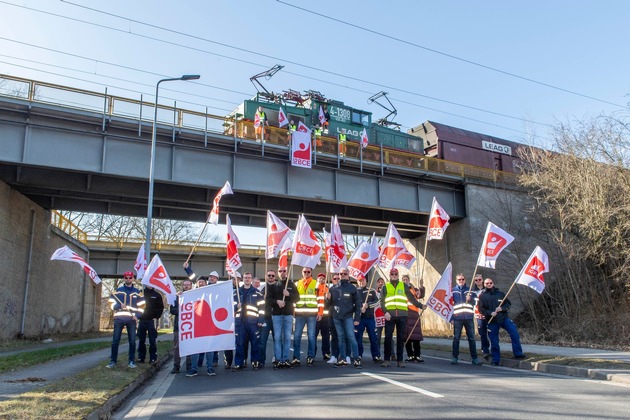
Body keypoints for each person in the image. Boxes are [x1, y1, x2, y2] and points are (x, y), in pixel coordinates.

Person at [380, 268, 425, 368]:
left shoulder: (403, 286)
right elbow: (381, 301)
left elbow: (412, 299)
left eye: (396, 274)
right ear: (389, 275)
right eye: (392, 274)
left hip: (402, 316)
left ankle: (400, 360)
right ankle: (387, 359)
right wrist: (385, 312)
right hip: (390, 316)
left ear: (398, 275)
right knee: (388, 338)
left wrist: (421, 306)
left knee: (400, 339)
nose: (394, 275)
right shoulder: (385, 287)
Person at [477, 278, 527, 366]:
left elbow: (508, 304)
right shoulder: (482, 296)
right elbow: (481, 310)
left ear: (493, 283)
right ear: (484, 285)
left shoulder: (500, 294)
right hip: (492, 321)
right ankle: (496, 360)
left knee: (514, 332)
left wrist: (502, 308)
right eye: (487, 283)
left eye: (490, 283)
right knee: (494, 341)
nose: (489, 284)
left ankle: (518, 354)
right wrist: (490, 313)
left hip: (504, 318)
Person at [106, 272, 145, 369]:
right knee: (115, 341)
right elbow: (111, 303)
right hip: (119, 319)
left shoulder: (138, 293)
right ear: (124, 278)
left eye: (130, 277)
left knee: (132, 341)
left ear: (133, 279)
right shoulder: (117, 291)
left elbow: (143, 306)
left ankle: (131, 361)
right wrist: (119, 306)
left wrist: (137, 315)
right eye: (126, 278)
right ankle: (113, 361)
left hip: (131, 319)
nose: (128, 279)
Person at [326, 268, 362, 368]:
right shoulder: (333, 288)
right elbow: (327, 305)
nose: (342, 275)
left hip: (348, 317)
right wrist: (327, 299)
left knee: (351, 337)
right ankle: (342, 358)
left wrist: (357, 318)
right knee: (340, 338)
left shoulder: (352, 288)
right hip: (336, 317)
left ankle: (357, 359)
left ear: (348, 275)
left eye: (344, 273)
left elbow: (358, 305)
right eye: (340, 273)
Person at [267, 267, 299, 369]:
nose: (282, 273)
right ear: (278, 273)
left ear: (286, 273)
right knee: (277, 338)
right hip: (276, 315)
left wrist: (289, 294)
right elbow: (268, 299)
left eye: (284, 271)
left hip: (288, 315)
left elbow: (297, 298)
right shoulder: (274, 286)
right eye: (280, 271)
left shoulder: (291, 285)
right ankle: (278, 360)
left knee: (287, 338)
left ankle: (285, 359)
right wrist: (277, 301)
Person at [233, 272, 264, 371]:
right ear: (242, 279)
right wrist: (235, 307)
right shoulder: (236, 293)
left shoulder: (257, 292)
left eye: (249, 278)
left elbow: (262, 308)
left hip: (253, 322)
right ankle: (239, 364)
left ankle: (255, 362)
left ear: (251, 280)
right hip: (240, 322)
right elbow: (230, 308)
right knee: (240, 344)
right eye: (245, 277)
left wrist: (260, 320)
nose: (247, 279)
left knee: (255, 343)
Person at [450, 274, 482, 366]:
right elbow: (449, 306)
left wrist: (470, 299)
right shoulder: (452, 291)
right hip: (457, 318)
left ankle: (475, 359)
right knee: (456, 338)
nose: (461, 281)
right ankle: (455, 357)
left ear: (465, 280)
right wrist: (451, 318)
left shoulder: (470, 290)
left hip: (468, 318)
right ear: (456, 280)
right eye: (459, 279)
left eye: (463, 279)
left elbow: (477, 302)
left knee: (471, 339)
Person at [292, 267, 318, 366]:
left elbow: (320, 299)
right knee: (297, 336)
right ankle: (296, 357)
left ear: (311, 273)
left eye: (308, 272)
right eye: (304, 271)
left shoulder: (316, 283)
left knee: (311, 336)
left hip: (312, 314)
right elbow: (294, 299)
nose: (306, 273)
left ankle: (310, 357)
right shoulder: (297, 283)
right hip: (299, 314)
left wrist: (320, 313)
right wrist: (293, 311)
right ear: (301, 273)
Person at [355, 275, 382, 363]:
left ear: (366, 281)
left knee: (374, 338)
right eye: (359, 281)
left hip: (370, 318)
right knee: (358, 338)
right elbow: (352, 304)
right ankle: (358, 355)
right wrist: (360, 308)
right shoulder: (355, 291)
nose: (361, 282)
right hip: (359, 319)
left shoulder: (371, 291)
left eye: (362, 280)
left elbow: (377, 302)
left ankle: (376, 355)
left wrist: (368, 305)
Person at [137, 285, 164, 364]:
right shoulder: (140, 294)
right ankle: (141, 357)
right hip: (141, 320)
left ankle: (153, 358)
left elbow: (160, 307)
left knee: (152, 340)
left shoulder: (157, 295)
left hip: (152, 321)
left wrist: (156, 317)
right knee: (141, 340)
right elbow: (135, 305)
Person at [170, 279, 192, 374]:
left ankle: (189, 366)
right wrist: (183, 308)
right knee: (177, 347)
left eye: (188, 285)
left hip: (190, 326)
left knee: (190, 347)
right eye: (185, 285)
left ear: (191, 286)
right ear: (182, 286)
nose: (186, 286)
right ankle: (176, 366)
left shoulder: (193, 297)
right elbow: (172, 310)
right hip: (178, 326)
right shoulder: (177, 297)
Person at [403, 274, 425, 363]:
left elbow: (420, 295)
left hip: (414, 314)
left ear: (409, 280)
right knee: (406, 336)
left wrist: (421, 287)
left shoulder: (414, 289)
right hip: (404, 314)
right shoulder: (401, 290)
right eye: (404, 280)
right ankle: (410, 355)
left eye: (406, 279)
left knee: (416, 336)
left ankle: (417, 355)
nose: (405, 281)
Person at [258, 269, 276, 368]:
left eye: (273, 275)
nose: (271, 277)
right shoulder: (261, 288)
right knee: (262, 342)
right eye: (269, 275)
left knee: (277, 340)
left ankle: (276, 358)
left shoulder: (279, 287)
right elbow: (257, 303)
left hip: (276, 318)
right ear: (266, 276)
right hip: (265, 318)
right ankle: (261, 361)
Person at [471, 274, 490, 360]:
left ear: (482, 280)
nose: (478, 281)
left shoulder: (487, 289)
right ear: (474, 281)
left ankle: (488, 348)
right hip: (479, 315)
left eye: (479, 279)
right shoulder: (472, 292)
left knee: (490, 332)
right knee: (482, 333)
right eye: (476, 280)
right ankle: (485, 351)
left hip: (488, 314)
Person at [314, 273, 331, 361]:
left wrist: (328, 298)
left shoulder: (328, 289)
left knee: (326, 336)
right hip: (316, 316)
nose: (321, 280)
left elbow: (330, 303)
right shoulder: (314, 288)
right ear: (317, 279)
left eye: (323, 278)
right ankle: (312, 354)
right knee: (313, 336)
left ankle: (326, 353)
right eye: (319, 278)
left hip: (325, 317)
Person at [326, 274, 341, 364]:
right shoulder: (330, 289)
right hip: (332, 315)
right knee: (334, 337)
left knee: (343, 337)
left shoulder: (345, 288)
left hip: (342, 316)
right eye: (335, 279)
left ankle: (344, 355)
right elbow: (327, 305)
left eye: (338, 278)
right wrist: (327, 299)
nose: (337, 280)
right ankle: (334, 355)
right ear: (332, 280)